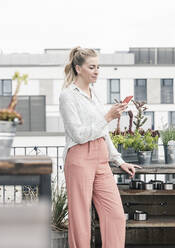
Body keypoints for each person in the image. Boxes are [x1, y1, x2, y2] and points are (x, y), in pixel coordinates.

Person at [59, 46, 141, 248]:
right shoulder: (67, 96)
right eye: (92, 67)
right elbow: (78, 134)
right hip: (79, 157)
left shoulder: (94, 95)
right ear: (78, 68)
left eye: (98, 67)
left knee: (115, 216)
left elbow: (103, 132)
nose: (96, 71)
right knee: (80, 220)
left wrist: (119, 160)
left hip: (101, 157)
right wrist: (108, 117)